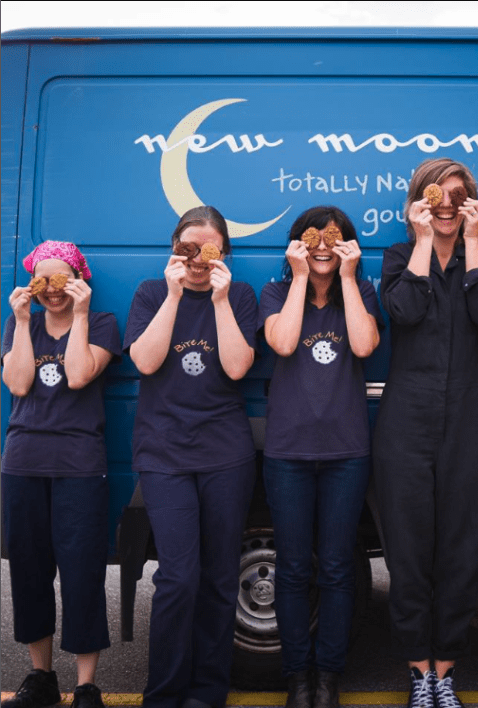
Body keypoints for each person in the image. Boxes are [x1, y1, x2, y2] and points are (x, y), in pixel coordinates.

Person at [372, 158, 478, 708]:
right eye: (435, 195)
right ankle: (417, 669)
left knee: (459, 548)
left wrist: (473, 241)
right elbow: (402, 311)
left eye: (458, 194)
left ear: (471, 201)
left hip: (472, 420)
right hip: (406, 421)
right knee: (408, 550)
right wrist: (425, 241)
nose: (447, 203)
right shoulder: (400, 257)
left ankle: (444, 670)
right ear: (418, 202)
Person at [123, 206, 258, 708]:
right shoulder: (151, 293)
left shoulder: (239, 296)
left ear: (224, 252)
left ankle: (207, 693)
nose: (197, 257)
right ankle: (164, 695)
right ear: (173, 248)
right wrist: (176, 292)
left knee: (221, 577)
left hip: (225, 453)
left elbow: (238, 366)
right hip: (164, 453)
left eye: (209, 248)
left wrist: (220, 300)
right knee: (178, 578)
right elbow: (145, 360)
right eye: (187, 247)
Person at [258, 206, 382, 708]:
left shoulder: (362, 292)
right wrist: (300, 277)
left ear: (348, 245)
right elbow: (284, 342)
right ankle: (297, 677)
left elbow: (364, 343)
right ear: (297, 245)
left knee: (335, 567)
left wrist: (349, 279)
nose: (324, 245)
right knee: (291, 568)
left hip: (345, 453)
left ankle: (328, 676)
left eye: (335, 238)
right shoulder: (274, 292)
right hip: (287, 452)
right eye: (313, 238)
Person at [1, 241, 121, 708]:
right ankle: (41, 678)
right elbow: (18, 383)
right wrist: (26, 321)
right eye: (44, 280)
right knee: (29, 572)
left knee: (81, 573)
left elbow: (76, 374)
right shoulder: (18, 324)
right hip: (24, 463)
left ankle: (86, 684)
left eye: (62, 279)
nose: (53, 291)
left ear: (78, 278)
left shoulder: (104, 324)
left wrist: (82, 313)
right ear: (34, 282)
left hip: (79, 466)